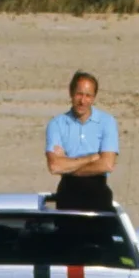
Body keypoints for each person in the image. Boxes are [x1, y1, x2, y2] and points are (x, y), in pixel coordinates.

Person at [45, 71, 119, 211]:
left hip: (98, 196)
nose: (82, 101)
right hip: (68, 195)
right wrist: (91, 158)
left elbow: (107, 164)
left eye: (88, 95)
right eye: (79, 94)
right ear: (71, 93)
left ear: (94, 98)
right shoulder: (57, 124)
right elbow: (54, 166)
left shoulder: (107, 122)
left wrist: (68, 165)